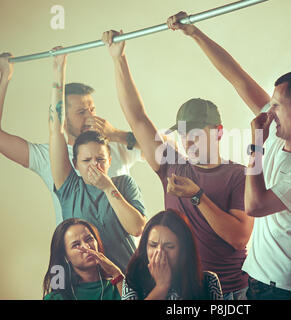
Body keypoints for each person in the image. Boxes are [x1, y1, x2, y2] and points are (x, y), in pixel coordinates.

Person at [167, 12, 291, 299]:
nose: (269, 111)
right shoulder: (280, 133)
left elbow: (255, 205)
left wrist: (256, 144)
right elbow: (237, 78)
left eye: (277, 105)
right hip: (256, 280)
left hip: (287, 290)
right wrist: (195, 34)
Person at [101, 29, 253, 300]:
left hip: (230, 293)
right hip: (180, 292)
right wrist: (118, 59)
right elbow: (137, 119)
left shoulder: (239, 175)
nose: (187, 142)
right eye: (183, 135)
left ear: (218, 132)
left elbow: (239, 238)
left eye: (195, 134)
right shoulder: (172, 164)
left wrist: (197, 196)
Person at [0, 52, 142, 226]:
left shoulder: (115, 145)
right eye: (82, 112)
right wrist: (5, 76)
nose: (91, 117)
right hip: (76, 249)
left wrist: (117, 135)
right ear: (64, 119)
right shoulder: (46, 156)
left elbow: (163, 149)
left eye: (92, 109)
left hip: (124, 251)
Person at [48, 48, 146, 271]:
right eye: (87, 160)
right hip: (85, 285)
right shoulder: (70, 188)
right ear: (75, 165)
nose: (95, 165)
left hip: (128, 281)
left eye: (100, 158)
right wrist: (58, 70)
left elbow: (137, 228)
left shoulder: (123, 184)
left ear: (109, 159)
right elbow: (55, 127)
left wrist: (108, 186)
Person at [122, 209, 223, 300]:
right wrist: (161, 287)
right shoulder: (133, 280)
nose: (159, 252)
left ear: (184, 250)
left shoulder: (208, 282)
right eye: (153, 245)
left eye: (169, 246)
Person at [43, 218, 124, 300]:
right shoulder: (57, 297)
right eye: (76, 245)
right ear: (65, 256)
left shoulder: (118, 284)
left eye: (89, 239)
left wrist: (117, 274)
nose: (87, 247)